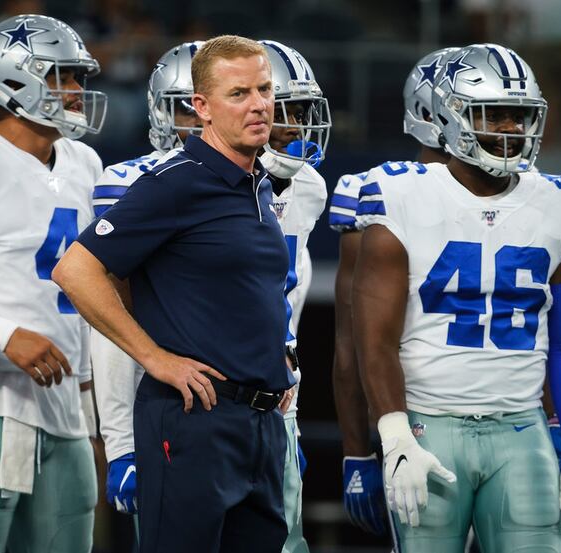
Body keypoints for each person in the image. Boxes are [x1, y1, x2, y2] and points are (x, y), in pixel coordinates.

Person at [352, 43, 561, 552]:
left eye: (520, 116)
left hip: (521, 427)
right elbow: (373, 341)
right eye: (494, 115)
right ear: (445, 118)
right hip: (428, 423)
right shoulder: (401, 194)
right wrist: (394, 436)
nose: (511, 129)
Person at [52, 35, 293, 553]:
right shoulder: (175, 182)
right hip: (194, 420)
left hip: (260, 422)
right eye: (238, 94)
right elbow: (75, 270)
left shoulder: (258, 182)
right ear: (200, 107)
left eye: (265, 89)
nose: (258, 105)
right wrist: (155, 358)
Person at [0, 14, 105, 553]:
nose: (77, 91)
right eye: (64, 76)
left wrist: (94, 411)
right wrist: (5, 335)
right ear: (13, 81)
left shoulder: (85, 162)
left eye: (79, 77)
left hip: (66, 412)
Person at [330, 46, 458, 538]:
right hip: (413, 418)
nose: (507, 126)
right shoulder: (379, 191)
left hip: (512, 413)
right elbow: (351, 345)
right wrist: (356, 449)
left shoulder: (534, 193)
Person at [88, 41, 204, 519]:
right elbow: (111, 319)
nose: (202, 123)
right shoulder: (137, 182)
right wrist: (120, 444)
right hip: (173, 403)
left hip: (253, 408)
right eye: (188, 109)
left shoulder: (280, 186)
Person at [258, 39, 331, 553]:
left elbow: (292, 296)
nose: (298, 127)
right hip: (204, 396)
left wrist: (294, 416)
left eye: (304, 112)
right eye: (287, 111)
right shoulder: (189, 183)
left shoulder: (309, 188)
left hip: (275, 398)